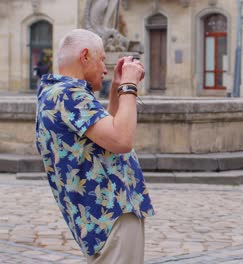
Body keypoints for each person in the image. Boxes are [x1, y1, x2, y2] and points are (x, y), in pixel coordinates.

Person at [35, 29, 155, 264]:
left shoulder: (57, 93)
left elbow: (105, 137)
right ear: (85, 56)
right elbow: (122, 140)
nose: (105, 68)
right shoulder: (69, 95)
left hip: (102, 218)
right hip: (110, 215)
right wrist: (130, 86)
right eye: (101, 59)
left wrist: (115, 91)